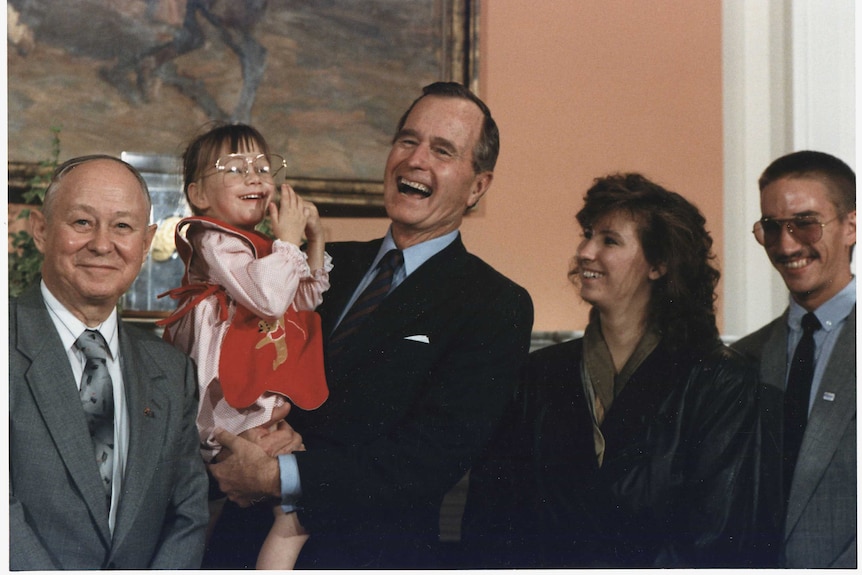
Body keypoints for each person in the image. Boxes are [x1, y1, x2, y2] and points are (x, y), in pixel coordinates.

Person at [205, 81, 534, 569]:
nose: (415, 160)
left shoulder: (494, 304)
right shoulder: (319, 265)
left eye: (442, 150)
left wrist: (279, 474)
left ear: (478, 185)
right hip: (240, 543)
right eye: (407, 140)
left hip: (363, 554)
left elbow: (428, 459)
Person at [462, 173, 766, 567]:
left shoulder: (720, 381)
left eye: (609, 240)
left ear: (658, 264)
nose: (586, 251)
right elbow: (490, 518)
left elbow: (717, 536)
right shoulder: (537, 374)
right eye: (587, 234)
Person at [9, 155, 209, 569]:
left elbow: (188, 516)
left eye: (123, 226)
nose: (102, 244)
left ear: (146, 240)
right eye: (82, 222)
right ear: (41, 230)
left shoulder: (172, 372)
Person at [156, 123, 331, 568]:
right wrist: (286, 241)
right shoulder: (215, 240)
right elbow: (268, 297)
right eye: (235, 169)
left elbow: (302, 300)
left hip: (254, 406)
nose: (254, 176)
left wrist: (313, 242)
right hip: (226, 412)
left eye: (261, 166)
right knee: (290, 505)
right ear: (198, 194)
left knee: (294, 501)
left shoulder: (264, 248)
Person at [733, 150, 856, 568]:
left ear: (850, 227)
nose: (786, 246)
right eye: (772, 228)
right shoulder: (742, 357)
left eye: (805, 223)